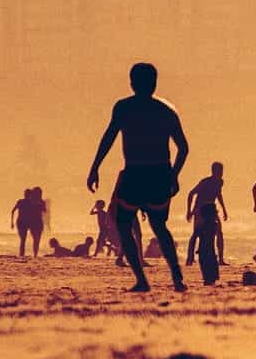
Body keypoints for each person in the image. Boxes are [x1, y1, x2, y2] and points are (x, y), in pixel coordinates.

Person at [87, 62, 189, 293]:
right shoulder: (167, 110)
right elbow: (183, 148)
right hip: (160, 173)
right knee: (159, 226)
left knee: (123, 224)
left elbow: (109, 138)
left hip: (135, 172)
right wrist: (174, 175)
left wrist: (95, 167)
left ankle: (142, 281)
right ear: (154, 83)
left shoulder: (124, 108)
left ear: (132, 83)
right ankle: (177, 278)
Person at [185, 162, 228, 267]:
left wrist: (224, 209)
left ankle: (221, 259)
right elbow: (191, 193)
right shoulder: (205, 182)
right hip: (200, 209)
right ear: (213, 171)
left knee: (219, 232)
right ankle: (190, 258)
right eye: (218, 171)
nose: (220, 173)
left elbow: (218, 194)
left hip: (212, 210)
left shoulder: (220, 182)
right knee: (196, 233)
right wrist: (189, 211)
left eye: (221, 171)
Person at [11, 188, 45, 257]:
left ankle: (24, 255)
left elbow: (13, 211)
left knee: (24, 240)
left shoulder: (28, 202)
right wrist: (11, 222)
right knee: (24, 239)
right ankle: (25, 254)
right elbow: (13, 211)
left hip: (24, 222)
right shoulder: (24, 202)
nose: (26, 195)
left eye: (27, 194)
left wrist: (12, 222)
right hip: (23, 222)